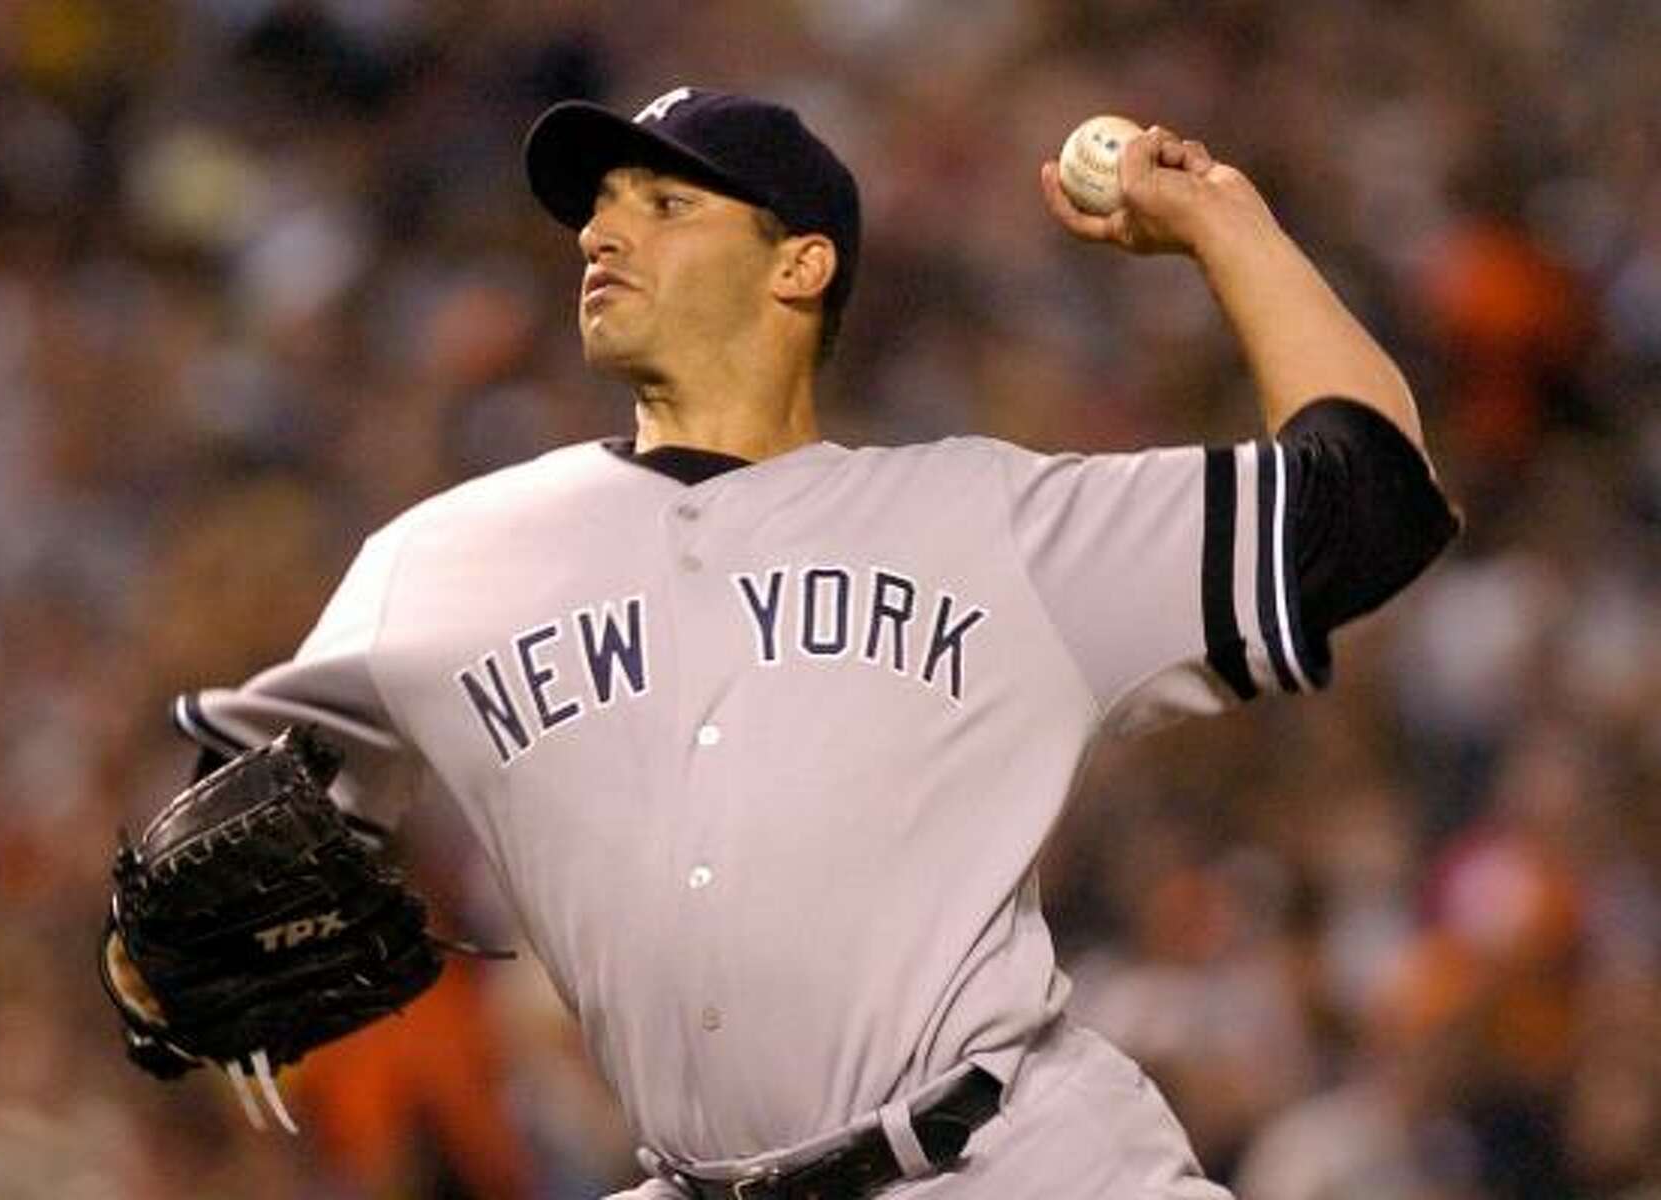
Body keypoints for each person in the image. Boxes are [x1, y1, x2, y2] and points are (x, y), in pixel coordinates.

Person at [164, 86, 1458, 1198]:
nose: (606, 230)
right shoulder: (437, 564)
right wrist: (154, 961)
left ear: (802, 265)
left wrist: (1223, 219)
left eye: (668, 205)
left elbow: (1374, 500)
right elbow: (221, 861)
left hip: (1015, 1161)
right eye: (602, 204)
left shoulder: (987, 520)